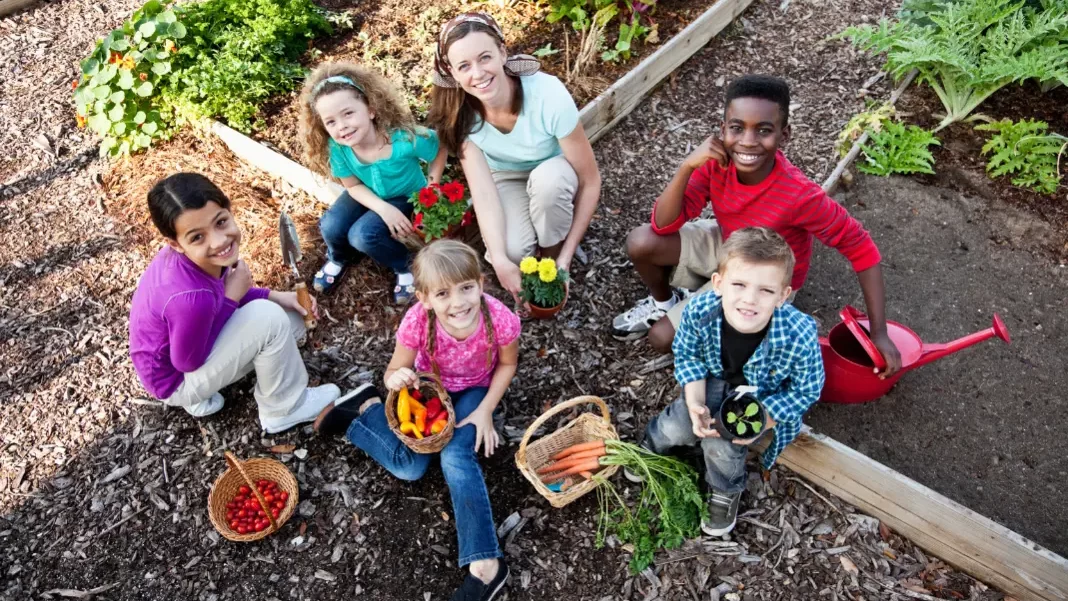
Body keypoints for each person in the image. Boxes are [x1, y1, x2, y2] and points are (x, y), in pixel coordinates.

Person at [611, 74, 902, 376]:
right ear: (722, 130)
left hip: (763, 273)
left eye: (763, 130)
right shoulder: (716, 164)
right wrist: (687, 166)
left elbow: (861, 248)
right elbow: (662, 225)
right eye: (737, 128)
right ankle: (665, 302)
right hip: (729, 244)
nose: (748, 141)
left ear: (784, 135)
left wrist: (878, 331)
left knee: (661, 338)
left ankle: (732, 330)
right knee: (641, 242)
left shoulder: (799, 196)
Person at [315, 240, 519, 601]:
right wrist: (395, 379)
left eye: (466, 288)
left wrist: (486, 408)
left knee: (456, 455)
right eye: (443, 293)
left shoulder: (498, 318)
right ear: (425, 298)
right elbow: (396, 368)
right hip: (428, 392)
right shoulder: (417, 322)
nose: (458, 303)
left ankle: (486, 565)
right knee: (410, 467)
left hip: (474, 390)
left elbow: (507, 364)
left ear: (481, 284)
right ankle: (362, 414)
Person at [635, 227, 824, 536]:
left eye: (766, 290)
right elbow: (688, 355)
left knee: (723, 446)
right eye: (739, 284)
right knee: (679, 423)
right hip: (709, 381)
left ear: (783, 296)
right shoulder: (699, 310)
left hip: (758, 397)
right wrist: (695, 400)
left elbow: (807, 389)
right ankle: (652, 443)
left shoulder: (799, 333)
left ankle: (724, 489)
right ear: (718, 284)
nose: (750, 300)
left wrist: (762, 419)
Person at [128, 173, 342, 433]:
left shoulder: (193, 261)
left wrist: (275, 295)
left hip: (169, 361)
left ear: (229, 210)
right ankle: (284, 408)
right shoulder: (191, 299)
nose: (218, 241)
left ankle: (203, 396)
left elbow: (220, 296)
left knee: (291, 317)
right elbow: (188, 362)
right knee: (271, 320)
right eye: (197, 237)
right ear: (176, 244)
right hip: (176, 381)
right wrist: (232, 298)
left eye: (220, 222)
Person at [427, 12, 601, 303]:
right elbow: (483, 193)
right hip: (506, 177)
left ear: (502, 53)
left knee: (548, 186)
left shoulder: (548, 95)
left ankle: (552, 251)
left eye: (485, 58)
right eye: (464, 66)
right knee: (511, 253)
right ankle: (535, 246)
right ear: (453, 74)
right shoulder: (459, 115)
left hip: (555, 171)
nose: (478, 73)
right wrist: (499, 259)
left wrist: (566, 257)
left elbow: (591, 180)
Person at [299, 62, 447, 304]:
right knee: (330, 225)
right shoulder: (337, 148)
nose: (342, 126)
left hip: (405, 195)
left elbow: (439, 147)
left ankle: (405, 267)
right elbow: (353, 186)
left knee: (364, 235)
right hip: (366, 193)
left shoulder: (402, 139)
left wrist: (433, 185)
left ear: (371, 109)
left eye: (348, 113)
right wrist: (382, 208)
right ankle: (338, 257)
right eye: (331, 122)